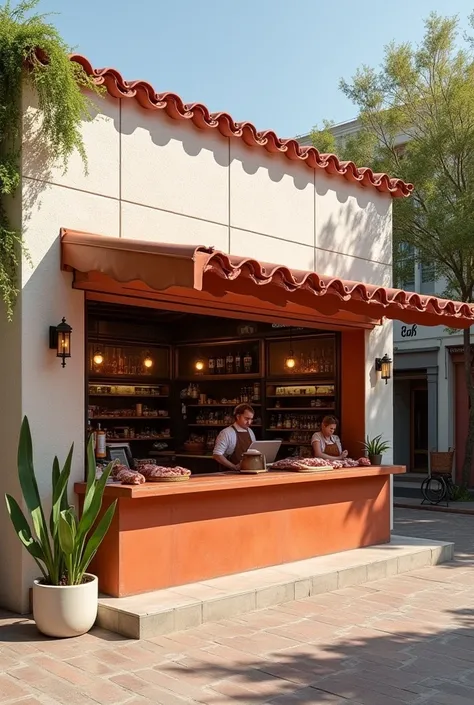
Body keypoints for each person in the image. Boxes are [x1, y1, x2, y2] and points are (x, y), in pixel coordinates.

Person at [212, 403, 256, 471]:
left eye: (251, 419)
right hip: (229, 473)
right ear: (238, 416)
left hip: (248, 471)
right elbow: (217, 455)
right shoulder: (226, 433)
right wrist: (234, 467)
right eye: (246, 419)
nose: (249, 422)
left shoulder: (250, 431)